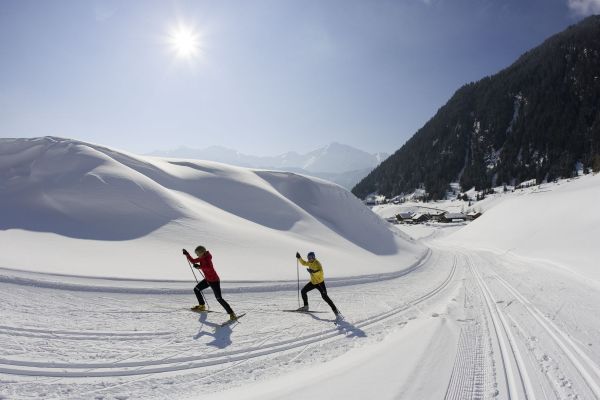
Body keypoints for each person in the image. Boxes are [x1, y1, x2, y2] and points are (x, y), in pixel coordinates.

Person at [183, 246, 237, 321]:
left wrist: (200, 267)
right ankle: (202, 305)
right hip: (208, 280)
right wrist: (187, 254)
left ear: (202, 252)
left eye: (197, 253)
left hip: (214, 281)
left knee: (219, 298)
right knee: (196, 289)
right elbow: (193, 261)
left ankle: (232, 314)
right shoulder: (202, 257)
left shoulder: (207, 258)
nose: (197, 255)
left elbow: (209, 268)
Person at [295, 251, 340, 316]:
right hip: (313, 282)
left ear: (314, 257)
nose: (310, 259)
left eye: (311, 257)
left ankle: (335, 310)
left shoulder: (317, 263)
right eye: (309, 257)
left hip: (320, 283)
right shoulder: (309, 263)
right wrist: (299, 258)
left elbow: (320, 272)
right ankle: (306, 306)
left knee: (325, 297)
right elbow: (304, 263)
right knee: (303, 291)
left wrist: (313, 272)